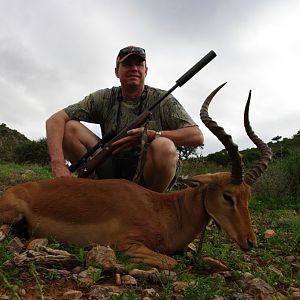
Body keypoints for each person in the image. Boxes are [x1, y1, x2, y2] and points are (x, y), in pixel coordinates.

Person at [46, 46, 204, 192]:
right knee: (70, 127)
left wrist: (153, 135)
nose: (134, 69)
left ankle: (151, 205)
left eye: (139, 64)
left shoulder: (163, 99)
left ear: (146, 71)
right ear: (117, 71)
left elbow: (197, 136)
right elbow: (55, 119)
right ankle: (95, 193)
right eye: (127, 64)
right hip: (110, 166)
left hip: (146, 174)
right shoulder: (104, 97)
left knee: (164, 146)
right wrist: (58, 164)